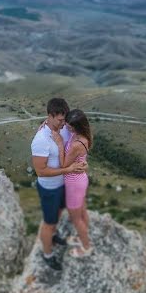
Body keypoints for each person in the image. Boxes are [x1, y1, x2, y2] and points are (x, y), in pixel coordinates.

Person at [31, 97, 87, 271]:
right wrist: (68, 169)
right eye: (60, 120)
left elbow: (79, 130)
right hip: (49, 188)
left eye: (64, 119)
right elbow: (41, 171)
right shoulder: (41, 140)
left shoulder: (62, 128)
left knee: (58, 214)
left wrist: (82, 161)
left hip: (62, 184)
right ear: (50, 116)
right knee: (48, 222)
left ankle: (54, 235)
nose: (64, 123)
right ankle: (47, 255)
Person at [61, 109, 93, 257]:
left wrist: (57, 142)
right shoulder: (84, 136)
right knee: (82, 211)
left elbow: (64, 164)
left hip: (74, 183)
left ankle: (86, 247)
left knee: (76, 217)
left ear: (77, 127)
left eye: (69, 126)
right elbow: (81, 160)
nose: (67, 127)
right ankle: (83, 236)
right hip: (80, 180)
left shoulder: (76, 145)